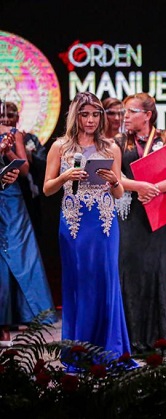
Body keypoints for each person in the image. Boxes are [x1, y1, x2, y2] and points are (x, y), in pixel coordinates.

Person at [42, 92, 133, 367]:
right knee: (79, 285)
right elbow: (47, 189)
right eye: (85, 114)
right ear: (75, 116)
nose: (91, 120)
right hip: (74, 223)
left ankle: (110, 349)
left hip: (104, 223)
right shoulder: (60, 147)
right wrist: (64, 176)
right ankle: (79, 350)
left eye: (95, 114)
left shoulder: (111, 148)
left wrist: (114, 180)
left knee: (106, 283)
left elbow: (117, 194)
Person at [116, 92, 166, 355]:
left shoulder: (165, 138)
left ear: (147, 115)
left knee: (155, 271)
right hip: (128, 214)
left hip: (156, 210)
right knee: (129, 271)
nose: (124, 117)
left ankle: (158, 340)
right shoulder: (117, 141)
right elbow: (113, 178)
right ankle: (130, 340)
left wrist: (154, 188)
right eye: (124, 112)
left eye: (130, 112)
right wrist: (137, 188)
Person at [1, 123, 55, 347]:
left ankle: (25, 315)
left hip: (10, 198)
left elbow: (24, 170)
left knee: (21, 254)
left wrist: (7, 152)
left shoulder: (11, 133)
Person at [0, 101, 47, 240]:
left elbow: (35, 166)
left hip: (23, 192)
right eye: (2, 115)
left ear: (18, 117)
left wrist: (9, 151)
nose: (6, 119)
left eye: (10, 115)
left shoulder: (27, 138)